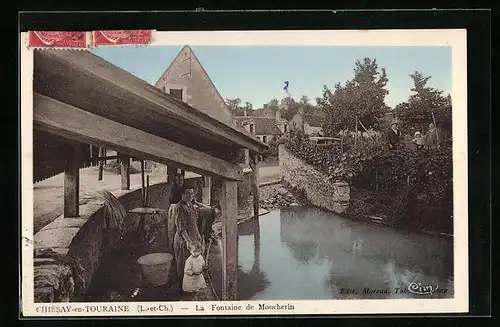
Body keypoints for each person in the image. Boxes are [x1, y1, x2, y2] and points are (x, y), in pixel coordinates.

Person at [172, 188, 202, 289]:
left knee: (191, 263)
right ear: (182, 194)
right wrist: (189, 242)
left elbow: (193, 222)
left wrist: (197, 234)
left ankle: (189, 285)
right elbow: (181, 228)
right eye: (187, 193)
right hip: (183, 241)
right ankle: (181, 288)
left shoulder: (189, 205)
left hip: (191, 239)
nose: (190, 196)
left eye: (192, 193)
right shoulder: (180, 208)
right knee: (183, 264)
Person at [166, 173, 185, 255]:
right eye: (178, 180)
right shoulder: (174, 189)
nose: (180, 182)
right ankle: (171, 252)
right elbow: (173, 201)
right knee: (172, 230)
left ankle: (177, 251)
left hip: (180, 209)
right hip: (174, 209)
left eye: (181, 180)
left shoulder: (182, 188)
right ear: (175, 181)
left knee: (179, 230)